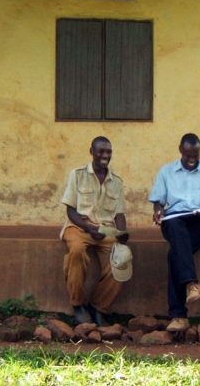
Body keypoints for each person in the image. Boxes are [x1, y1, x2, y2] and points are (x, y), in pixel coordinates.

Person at [149, 133, 200, 333]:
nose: (192, 159)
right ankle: (191, 284)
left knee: (174, 254)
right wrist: (158, 210)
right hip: (173, 221)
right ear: (180, 150)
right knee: (175, 224)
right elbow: (158, 201)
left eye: (196, 155)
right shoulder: (166, 172)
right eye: (188, 155)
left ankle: (179, 316)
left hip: (199, 223)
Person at [60, 136, 129, 326]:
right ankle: (78, 305)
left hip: (106, 231)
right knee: (76, 252)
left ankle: (99, 308)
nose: (105, 155)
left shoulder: (116, 181)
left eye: (108, 152)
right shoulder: (78, 174)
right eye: (101, 151)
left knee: (122, 261)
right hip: (79, 227)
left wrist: (121, 234)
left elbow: (120, 214)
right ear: (92, 151)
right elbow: (70, 210)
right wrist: (88, 228)